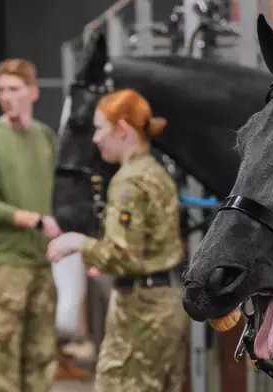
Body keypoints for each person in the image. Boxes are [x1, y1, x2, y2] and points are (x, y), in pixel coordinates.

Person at [47, 88, 189, 392]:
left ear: (121, 130)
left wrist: (76, 242)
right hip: (166, 303)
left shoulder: (129, 180)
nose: (95, 138)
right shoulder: (156, 172)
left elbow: (124, 255)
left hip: (141, 312)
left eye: (100, 129)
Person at [0, 58, 62, 391]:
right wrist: (33, 220)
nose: (6, 97)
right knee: (5, 362)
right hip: (6, 264)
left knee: (42, 356)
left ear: (33, 92)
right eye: (1, 90)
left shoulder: (45, 137)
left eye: (14, 89)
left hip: (42, 262)